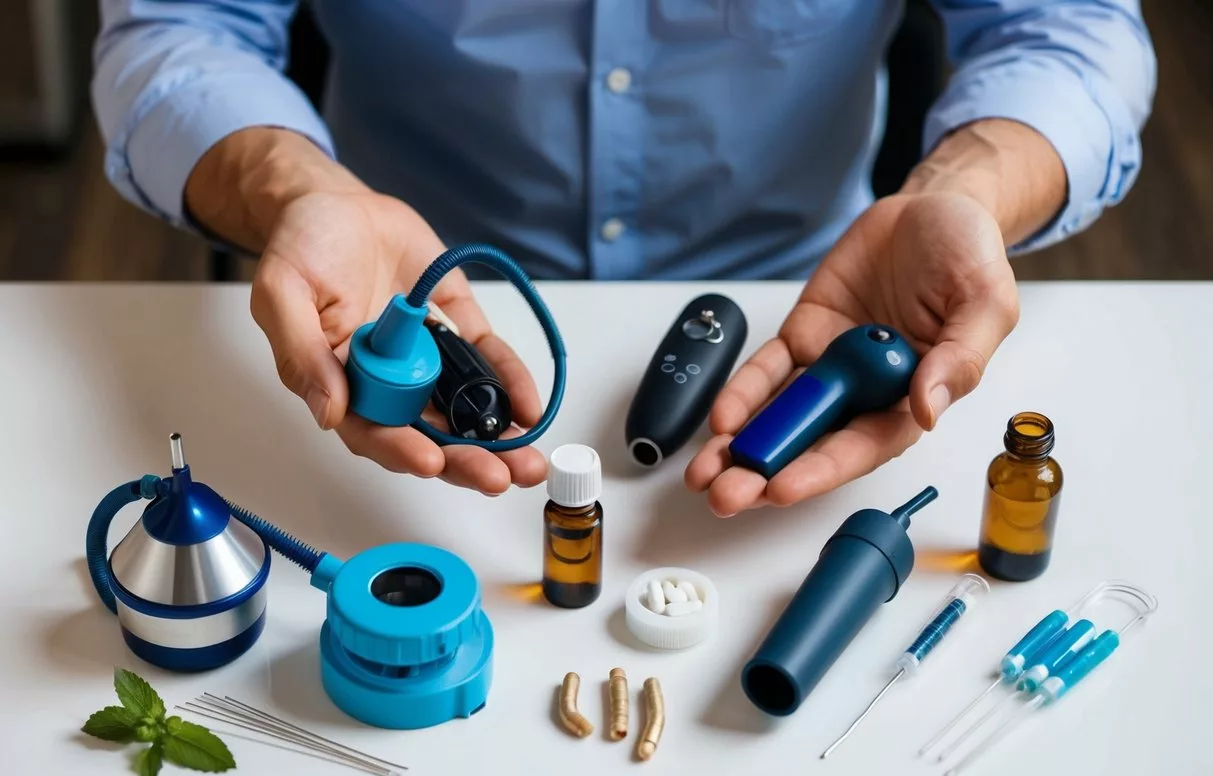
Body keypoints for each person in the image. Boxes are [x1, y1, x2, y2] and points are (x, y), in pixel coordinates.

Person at [91, 2, 1155, 516]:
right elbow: (174, 32)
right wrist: (300, 188)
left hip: (798, 297)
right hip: (385, 286)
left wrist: (958, 189)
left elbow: (1070, 29)